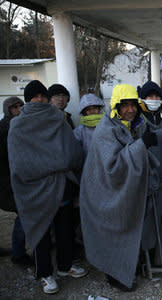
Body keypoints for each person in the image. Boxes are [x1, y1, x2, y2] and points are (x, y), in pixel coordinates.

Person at [8, 80, 87, 295]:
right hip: (33, 190)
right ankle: (44, 273)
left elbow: (70, 152)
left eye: (43, 96)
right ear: (27, 100)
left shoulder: (58, 119)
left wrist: (59, 164)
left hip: (61, 186)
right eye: (35, 97)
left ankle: (64, 266)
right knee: (39, 232)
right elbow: (20, 162)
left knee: (64, 229)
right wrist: (55, 164)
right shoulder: (17, 125)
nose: (40, 100)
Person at [80, 84, 159, 291]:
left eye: (134, 104)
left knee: (130, 229)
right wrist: (141, 145)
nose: (130, 109)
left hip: (128, 191)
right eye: (125, 105)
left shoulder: (138, 125)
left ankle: (129, 268)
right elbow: (112, 166)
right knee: (113, 233)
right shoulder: (106, 129)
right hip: (106, 191)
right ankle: (114, 274)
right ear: (116, 106)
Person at [138, 81, 162, 267]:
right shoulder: (137, 119)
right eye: (150, 96)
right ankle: (146, 262)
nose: (154, 99)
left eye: (156, 96)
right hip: (145, 181)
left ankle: (161, 260)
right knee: (146, 223)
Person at [0, 96, 33, 267]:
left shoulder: (22, 125)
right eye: (15, 107)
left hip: (19, 179)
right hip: (9, 181)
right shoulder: (4, 128)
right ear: (8, 110)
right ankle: (18, 254)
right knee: (23, 216)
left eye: (21, 105)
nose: (19, 109)